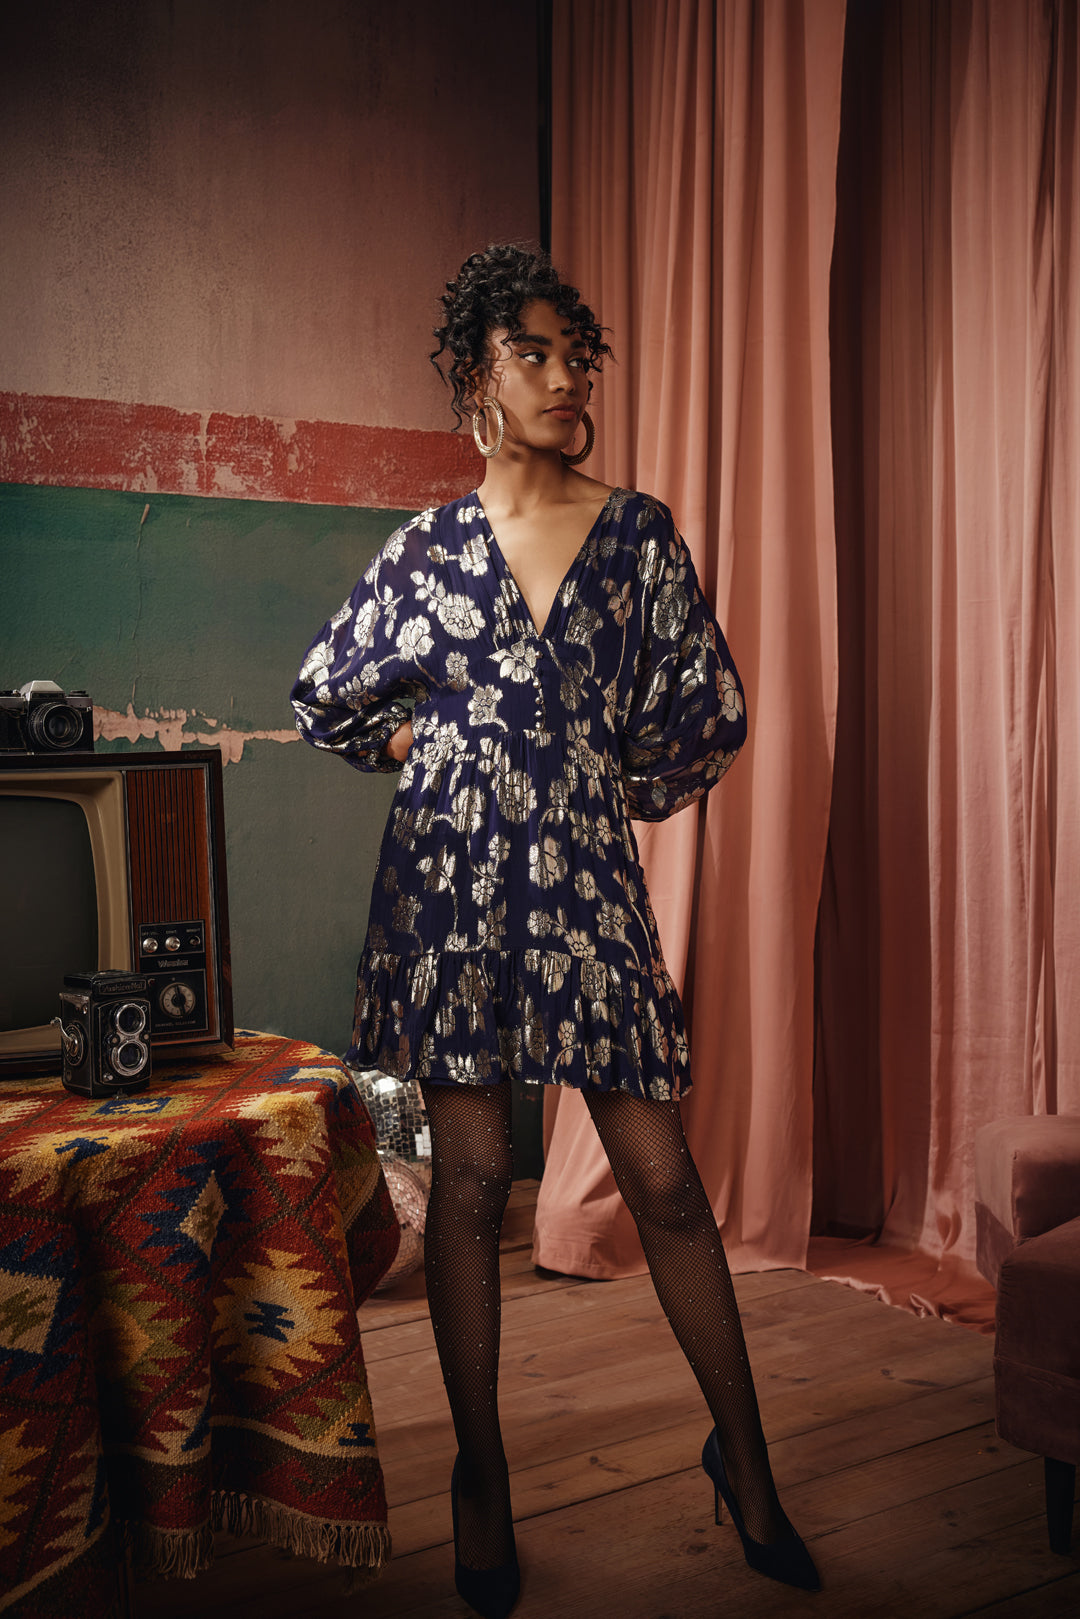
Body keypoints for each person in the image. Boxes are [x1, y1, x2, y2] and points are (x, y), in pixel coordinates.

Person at [290, 244, 819, 1616]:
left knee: (665, 1185)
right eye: (534, 352)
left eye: (578, 354)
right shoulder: (426, 551)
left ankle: (746, 1461)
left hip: (586, 892)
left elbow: (705, 712)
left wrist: (592, 783)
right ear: (475, 377)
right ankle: (482, 1479)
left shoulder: (637, 536)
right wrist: (434, 748)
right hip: (445, 895)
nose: (567, 376)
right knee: (471, 1186)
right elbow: (325, 694)